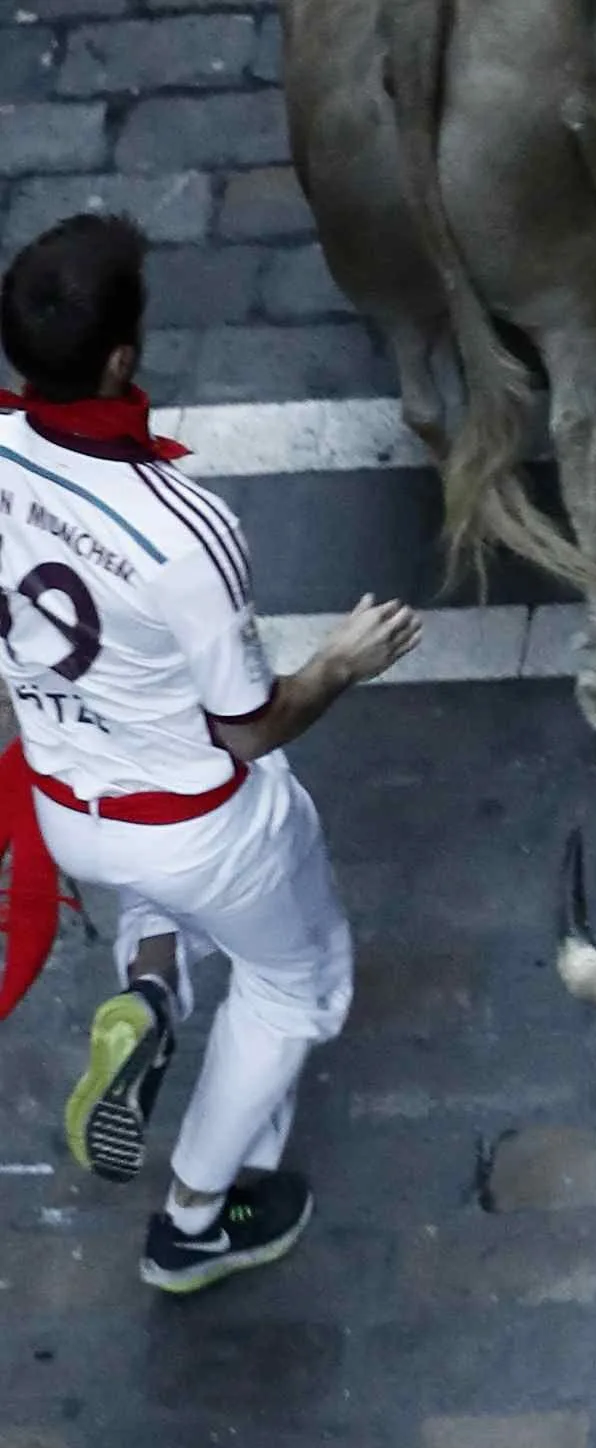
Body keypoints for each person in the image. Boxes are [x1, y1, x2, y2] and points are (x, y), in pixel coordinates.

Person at [0, 214, 420, 1293]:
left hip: (68, 805)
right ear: (123, 359)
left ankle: (148, 994)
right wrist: (341, 663)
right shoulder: (184, 533)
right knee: (293, 987)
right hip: (200, 828)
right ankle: (193, 1217)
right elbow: (250, 726)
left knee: (160, 904)